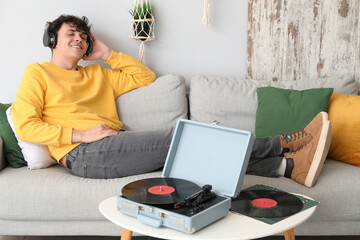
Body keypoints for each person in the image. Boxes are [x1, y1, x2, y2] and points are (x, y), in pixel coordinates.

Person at [12, 15, 331, 188]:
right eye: (71, 34)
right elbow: (27, 126)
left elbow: (145, 77)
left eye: (84, 35)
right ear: (52, 39)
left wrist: (108, 55)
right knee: (183, 135)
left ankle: (287, 167)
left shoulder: (99, 74)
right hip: (82, 153)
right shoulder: (37, 73)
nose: (79, 39)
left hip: (114, 143)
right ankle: (284, 142)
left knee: (192, 154)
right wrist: (81, 135)